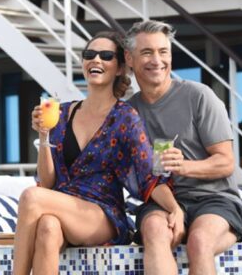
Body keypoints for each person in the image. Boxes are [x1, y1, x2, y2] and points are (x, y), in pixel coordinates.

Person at [13, 31, 178, 275]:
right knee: (47, 227)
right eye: (90, 55)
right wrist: (44, 134)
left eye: (106, 56)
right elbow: (47, 183)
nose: (96, 60)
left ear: (120, 67)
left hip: (102, 213)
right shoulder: (62, 113)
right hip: (62, 206)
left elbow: (147, 174)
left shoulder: (125, 117)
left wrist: (175, 208)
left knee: (31, 197)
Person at [125, 20, 242, 275]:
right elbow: (142, 179)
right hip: (162, 200)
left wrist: (184, 166)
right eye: (147, 52)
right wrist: (174, 208)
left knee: (199, 241)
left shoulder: (199, 96)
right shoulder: (128, 113)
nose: (156, 60)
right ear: (130, 58)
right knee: (156, 233)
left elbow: (226, 163)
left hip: (213, 199)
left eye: (163, 52)